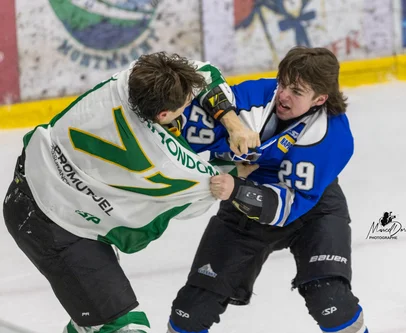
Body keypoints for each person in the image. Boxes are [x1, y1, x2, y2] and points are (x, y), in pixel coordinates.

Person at [3, 52, 259, 333]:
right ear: (163, 114)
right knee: (121, 328)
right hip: (53, 227)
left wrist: (233, 125)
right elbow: (211, 188)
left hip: (31, 179)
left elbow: (203, 74)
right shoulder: (166, 161)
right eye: (186, 103)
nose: (190, 104)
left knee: (91, 320)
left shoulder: (125, 82)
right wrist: (239, 166)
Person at [167, 47, 368, 333]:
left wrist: (235, 188)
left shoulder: (332, 140)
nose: (284, 94)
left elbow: (286, 207)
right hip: (242, 206)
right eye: (283, 82)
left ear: (320, 99)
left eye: (297, 91)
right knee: (190, 311)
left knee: (331, 302)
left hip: (313, 211)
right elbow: (183, 123)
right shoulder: (252, 98)